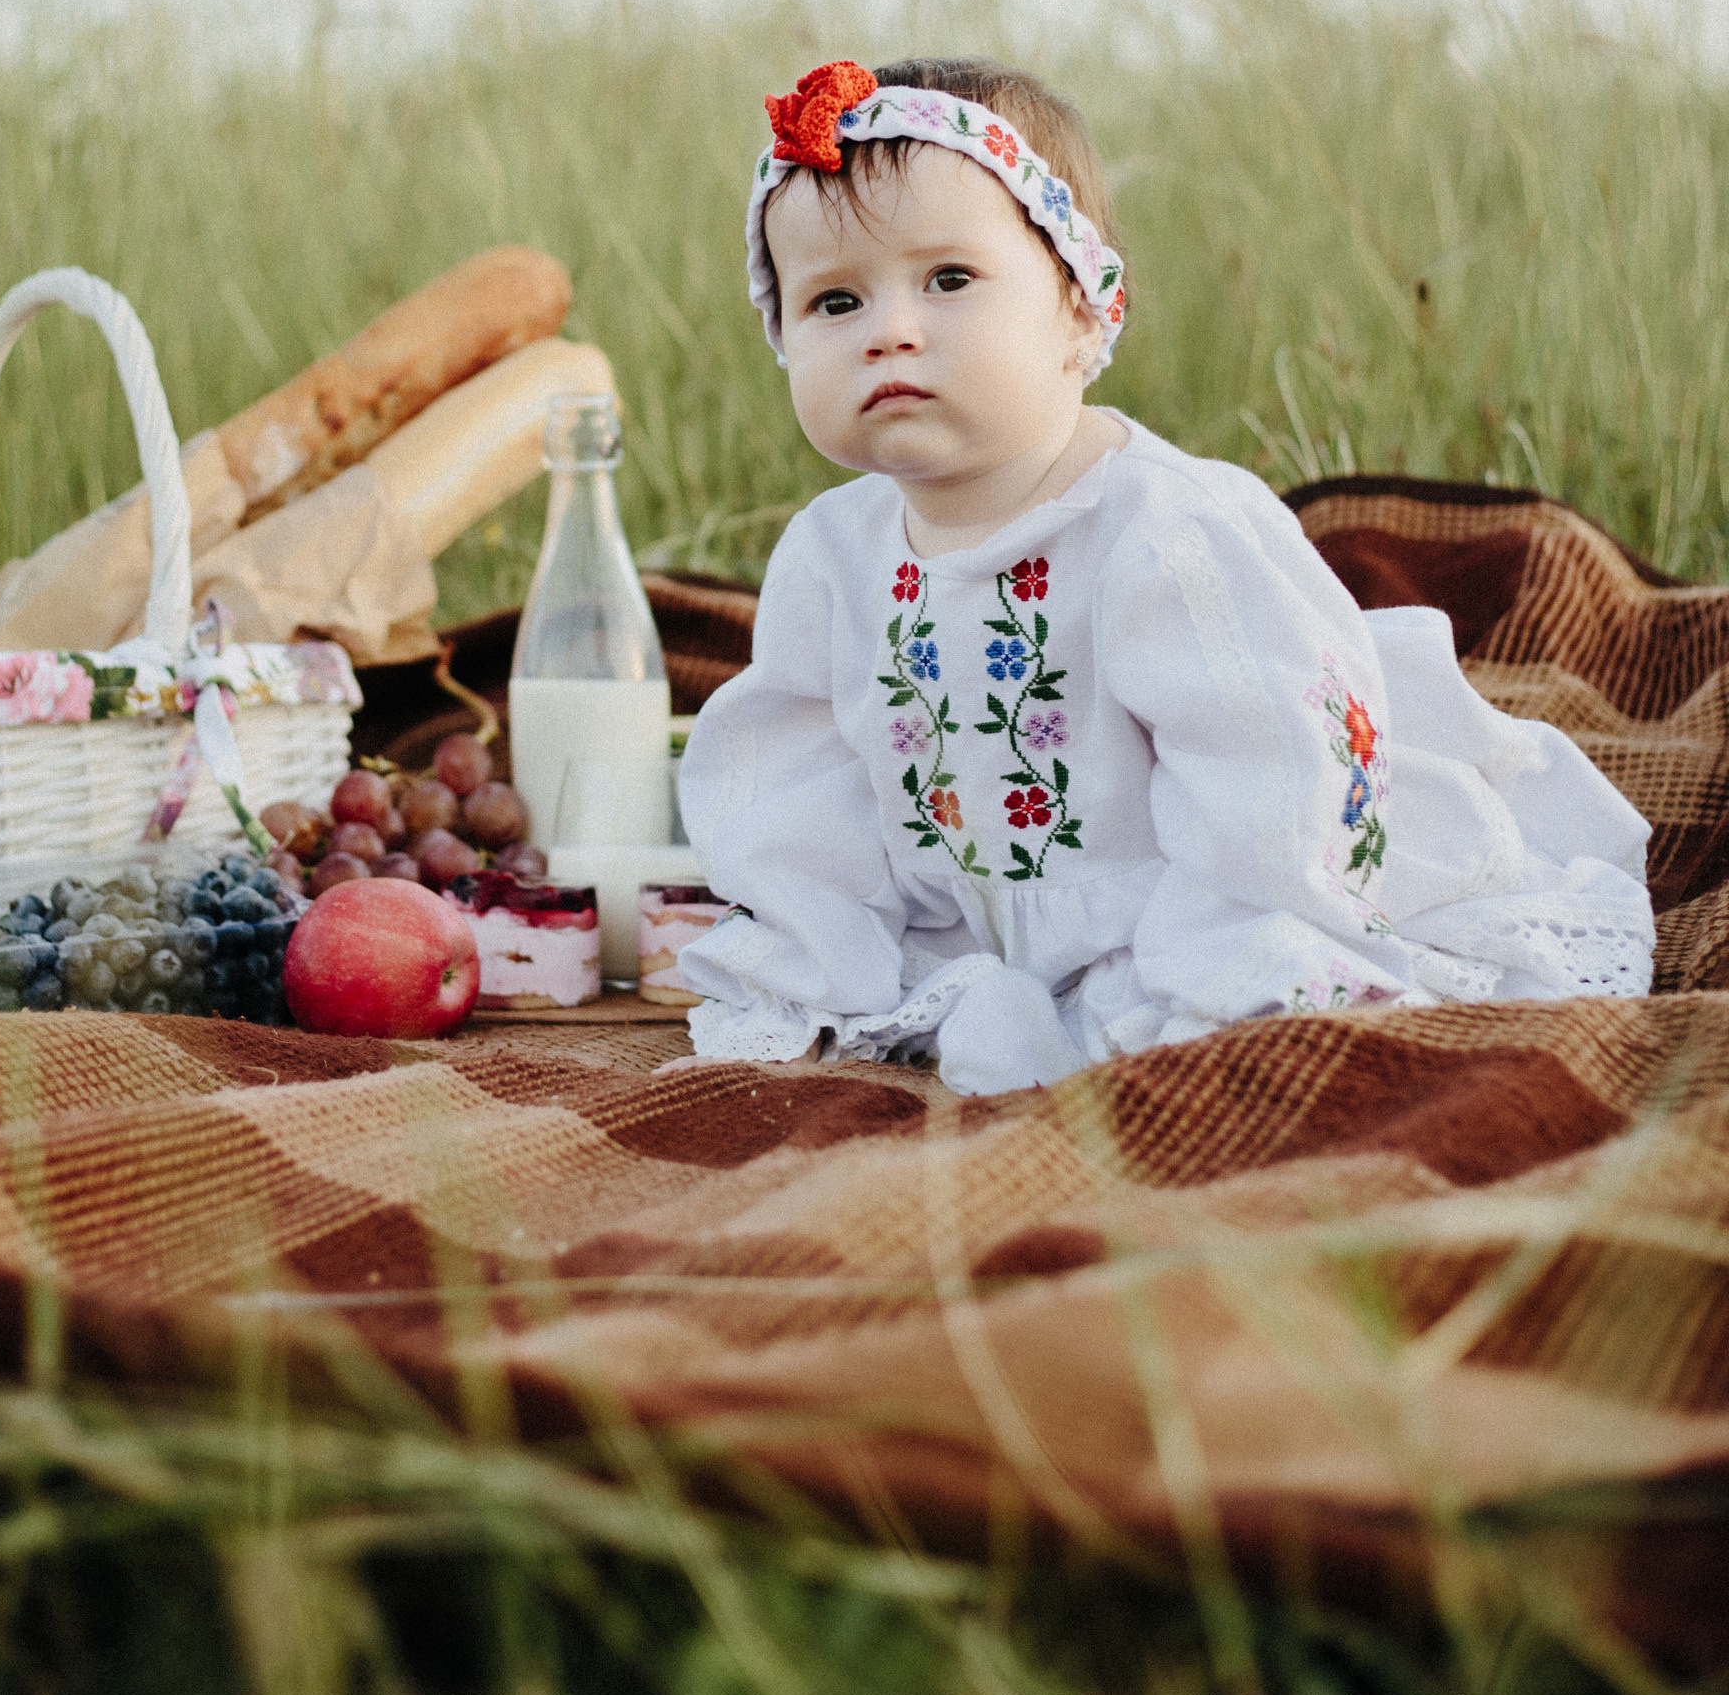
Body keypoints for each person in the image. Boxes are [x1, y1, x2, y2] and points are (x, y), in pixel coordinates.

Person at [675, 56, 1657, 1092]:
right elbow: (795, 780)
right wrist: (814, 956)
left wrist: (1216, 963)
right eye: (833, 301)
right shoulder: (833, 553)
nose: (889, 331)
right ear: (778, 335)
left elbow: (1268, 765)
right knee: (964, 1009)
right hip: (983, 920)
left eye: (948, 279)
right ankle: (1015, 997)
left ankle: (1178, 1002)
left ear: (1080, 306)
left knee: (1205, 994)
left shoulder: (1166, 530)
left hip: (1199, 898)